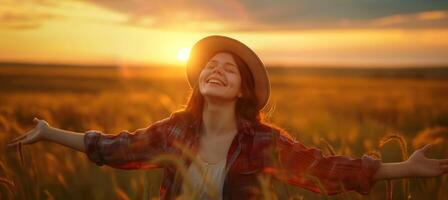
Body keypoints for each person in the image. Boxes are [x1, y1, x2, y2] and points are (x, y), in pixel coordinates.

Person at [7, 35, 448, 200]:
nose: (216, 69)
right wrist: (48, 134)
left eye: (228, 68)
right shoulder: (175, 131)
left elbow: (324, 170)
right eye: (210, 65)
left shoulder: (263, 142)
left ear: (242, 90)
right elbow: (111, 147)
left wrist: (407, 167)